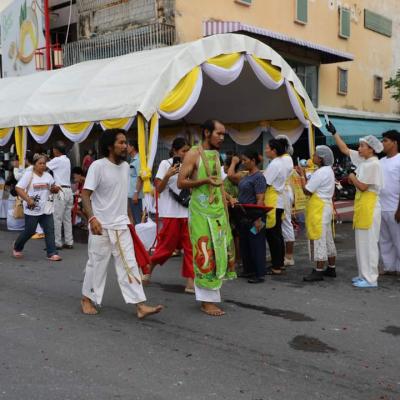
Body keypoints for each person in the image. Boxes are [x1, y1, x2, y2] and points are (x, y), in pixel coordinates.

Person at [80, 129, 162, 318]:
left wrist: (129, 219)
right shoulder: (98, 166)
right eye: (121, 143)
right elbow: (85, 194)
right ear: (110, 146)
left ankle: (140, 305)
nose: (126, 146)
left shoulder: (126, 167)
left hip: (121, 224)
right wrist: (92, 218)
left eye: (126, 142)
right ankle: (86, 299)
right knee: (97, 263)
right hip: (100, 225)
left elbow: (121, 196)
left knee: (129, 264)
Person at [177, 120, 235, 316]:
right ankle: (206, 302)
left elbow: (217, 183)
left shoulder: (216, 154)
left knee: (219, 253)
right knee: (205, 255)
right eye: (219, 133)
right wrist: (203, 180)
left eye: (223, 134)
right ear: (207, 132)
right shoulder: (193, 153)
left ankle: (212, 297)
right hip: (200, 214)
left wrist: (227, 197)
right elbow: (180, 182)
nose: (222, 137)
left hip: (218, 213)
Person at [327, 121, 383, 288]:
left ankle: (371, 279)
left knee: (369, 244)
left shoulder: (374, 164)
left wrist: (352, 177)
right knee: (361, 243)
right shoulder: (364, 160)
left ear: (371, 149)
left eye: (362, 146)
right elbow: (344, 149)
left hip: (370, 206)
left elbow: (363, 187)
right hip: (363, 205)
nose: (359, 149)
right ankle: (363, 275)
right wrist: (334, 133)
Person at [148, 138, 195, 293]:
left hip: (188, 212)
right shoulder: (165, 164)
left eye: (188, 150)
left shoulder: (191, 165)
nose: (186, 153)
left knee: (190, 248)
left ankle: (190, 282)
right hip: (171, 213)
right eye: (183, 151)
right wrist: (168, 175)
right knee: (166, 247)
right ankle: (148, 268)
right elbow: (158, 189)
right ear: (174, 151)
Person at [296, 146, 337, 282]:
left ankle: (318, 271)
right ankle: (331, 267)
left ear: (321, 158)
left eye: (315, 155)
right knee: (327, 238)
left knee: (318, 238)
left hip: (319, 208)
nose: (312, 157)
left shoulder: (321, 172)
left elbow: (307, 190)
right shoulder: (328, 170)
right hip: (325, 206)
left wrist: (301, 175)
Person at [12, 154, 61, 261]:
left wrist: (55, 189)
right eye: (40, 163)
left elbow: (52, 187)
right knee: (30, 231)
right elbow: (18, 188)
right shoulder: (28, 175)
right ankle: (17, 246)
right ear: (34, 164)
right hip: (32, 209)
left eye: (44, 163)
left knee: (49, 230)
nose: (43, 165)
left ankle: (52, 253)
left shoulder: (48, 176)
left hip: (46, 208)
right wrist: (28, 200)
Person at [234, 150, 267, 283]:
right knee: (245, 244)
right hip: (244, 216)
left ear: (253, 161)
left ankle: (259, 274)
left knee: (256, 244)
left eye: (245, 160)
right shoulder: (246, 176)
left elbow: (260, 199)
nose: (243, 163)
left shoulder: (259, 177)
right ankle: (248, 270)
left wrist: (258, 218)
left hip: (255, 216)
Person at [263, 139, 288, 275]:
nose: (266, 150)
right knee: (277, 234)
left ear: (274, 150)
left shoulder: (275, 164)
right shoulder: (281, 162)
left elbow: (265, 182)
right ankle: (279, 263)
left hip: (273, 201)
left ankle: (276, 266)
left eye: (267, 148)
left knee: (273, 235)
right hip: (279, 201)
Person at [379, 130, 400, 275]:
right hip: (381, 206)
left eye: (385, 140)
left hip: (395, 207)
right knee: (384, 240)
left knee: (398, 240)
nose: (382, 143)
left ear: (395, 142)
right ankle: (389, 267)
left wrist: (399, 209)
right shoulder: (381, 161)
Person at [47, 141, 74, 250]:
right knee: (67, 218)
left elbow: (44, 167)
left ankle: (57, 242)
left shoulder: (57, 160)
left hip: (60, 190)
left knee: (57, 218)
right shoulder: (67, 160)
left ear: (55, 150)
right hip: (68, 190)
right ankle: (69, 241)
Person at [276, 135, 296, 267]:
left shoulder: (285, 159)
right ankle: (282, 254)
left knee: (286, 223)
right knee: (280, 224)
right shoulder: (283, 159)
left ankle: (289, 255)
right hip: (282, 192)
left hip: (284, 193)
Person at [127, 140, 143, 224]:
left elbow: (140, 177)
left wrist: (136, 193)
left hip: (136, 196)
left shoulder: (138, 159)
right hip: (131, 195)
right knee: (133, 219)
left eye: (127, 146)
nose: (126, 148)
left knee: (138, 220)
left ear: (132, 147)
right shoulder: (132, 159)